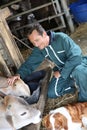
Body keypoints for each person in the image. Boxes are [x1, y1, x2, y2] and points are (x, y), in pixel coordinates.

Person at [8, 23, 87, 102]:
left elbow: (76, 57)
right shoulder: (40, 48)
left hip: (77, 65)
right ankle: (75, 85)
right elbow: (30, 63)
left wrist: (61, 72)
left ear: (44, 34)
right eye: (33, 43)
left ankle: (84, 100)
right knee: (51, 93)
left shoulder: (61, 38)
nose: (36, 44)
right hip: (61, 71)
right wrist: (18, 74)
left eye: (37, 40)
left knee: (78, 71)